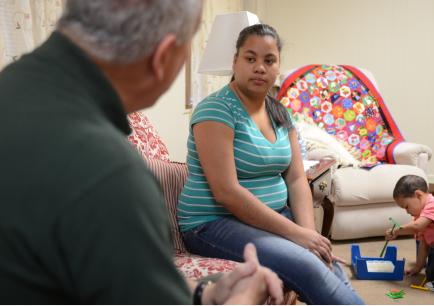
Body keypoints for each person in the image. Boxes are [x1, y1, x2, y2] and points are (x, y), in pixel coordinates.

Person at [0, 1, 284, 304]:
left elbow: (113, 274)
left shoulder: (14, 85)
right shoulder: (111, 176)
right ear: (162, 58)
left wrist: (205, 291)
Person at [178, 23, 364, 304]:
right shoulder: (215, 110)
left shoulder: (281, 114)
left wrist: (309, 236)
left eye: (269, 60)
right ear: (235, 62)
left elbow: (296, 179)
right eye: (250, 58)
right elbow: (226, 191)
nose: (260, 68)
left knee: (327, 262)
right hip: (212, 223)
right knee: (309, 267)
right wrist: (298, 235)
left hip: (271, 216)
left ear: (278, 66)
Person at [386, 175, 434, 291]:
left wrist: (397, 230)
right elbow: (423, 244)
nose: (407, 212)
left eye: (407, 207)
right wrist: (417, 267)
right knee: (430, 273)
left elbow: (417, 226)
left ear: (418, 195)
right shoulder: (420, 217)